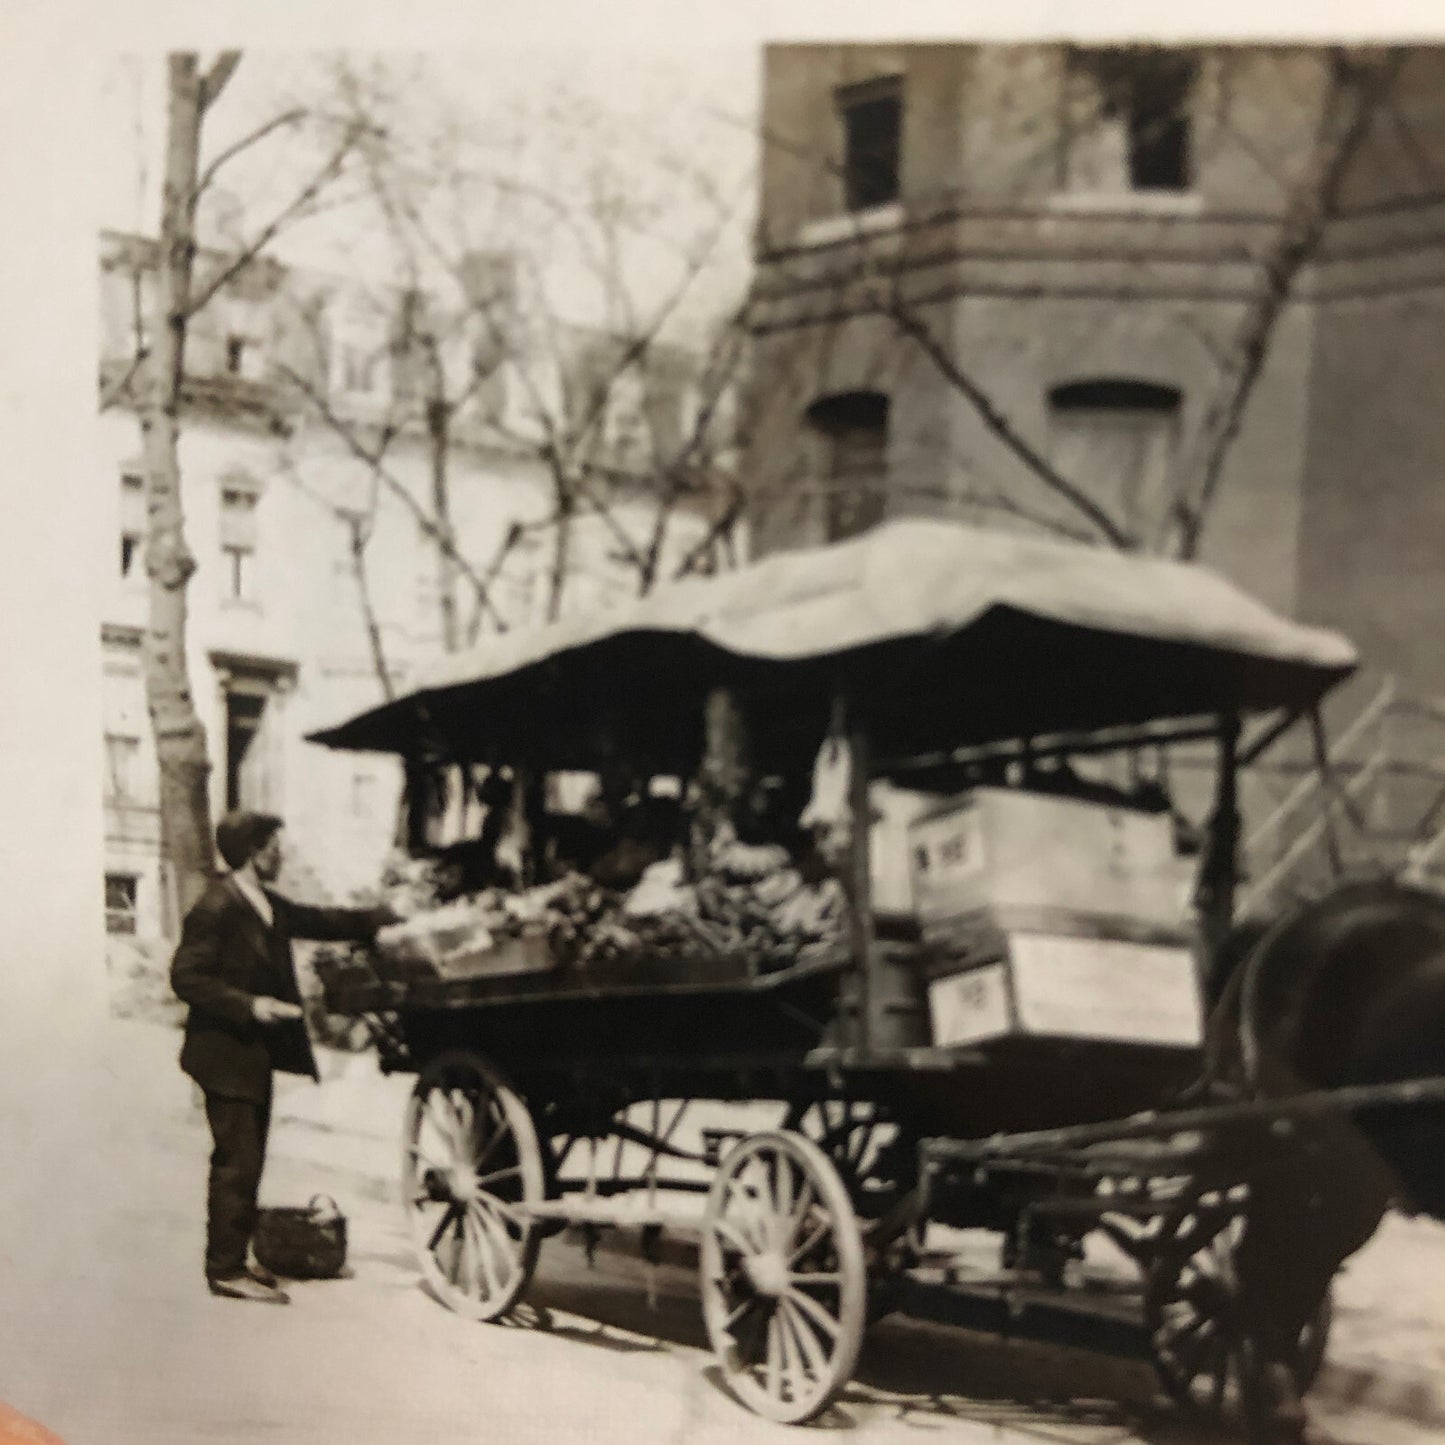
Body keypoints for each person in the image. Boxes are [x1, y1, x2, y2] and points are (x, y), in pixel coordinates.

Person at [170, 810, 396, 1305]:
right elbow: (186, 977)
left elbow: (319, 919)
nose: (282, 853)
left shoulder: (263, 903)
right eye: (275, 845)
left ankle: (233, 1260)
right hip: (223, 1054)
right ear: (254, 850)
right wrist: (251, 1005)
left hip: (249, 1056)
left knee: (248, 1160)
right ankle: (225, 1269)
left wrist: (381, 917)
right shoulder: (216, 906)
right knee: (238, 1161)